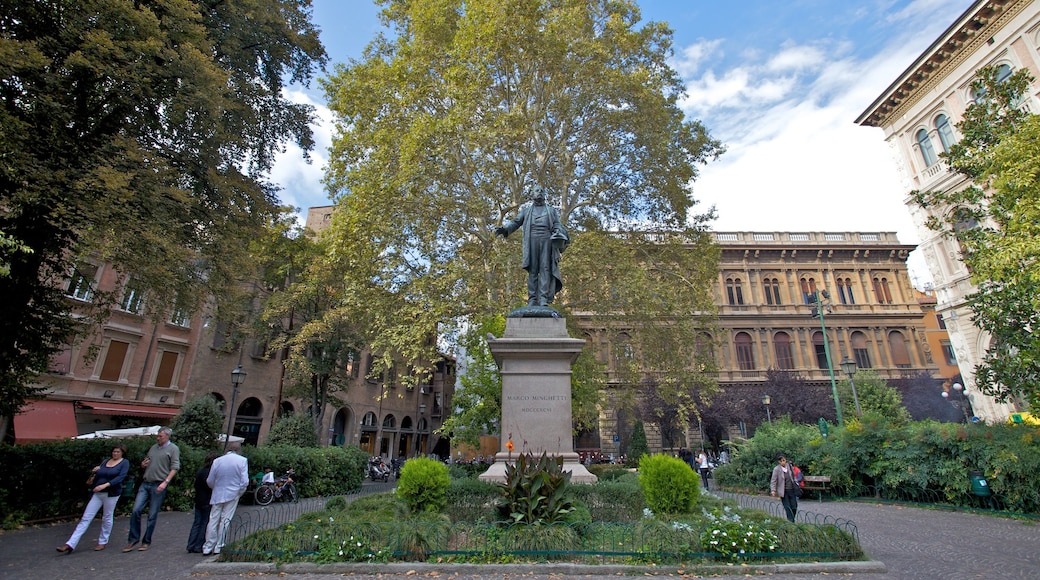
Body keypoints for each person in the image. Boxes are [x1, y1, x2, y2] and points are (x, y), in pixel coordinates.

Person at [495, 185, 570, 307]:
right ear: (532, 194)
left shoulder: (551, 211)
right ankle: (532, 299)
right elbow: (515, 222)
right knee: (533, 270)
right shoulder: (526, 211)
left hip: (547, 240)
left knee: (545, 269)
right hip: (532, 241)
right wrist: (505, 230)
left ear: (544, 195)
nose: (539, 193)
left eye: (542, 191)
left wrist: (558, 232)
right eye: (537, 191)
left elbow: (557, 225)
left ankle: (543, 299)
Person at [57, 444, 130, 554]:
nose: (115, 454)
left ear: (122, 453)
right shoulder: (105, 462)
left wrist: (105, 485)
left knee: (107, 517)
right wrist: (95, 471)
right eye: (114, 451)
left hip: (111, 494)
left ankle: (103, 541)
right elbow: (99, 474)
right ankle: (70, 544)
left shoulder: (124, 463)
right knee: (86, 517)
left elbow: (120, 478)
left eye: (118, 452)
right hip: (98, 493)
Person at [124, 426, 180, 552]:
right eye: (158, 436)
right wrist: (143, 465)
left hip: (158, 484)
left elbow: (175, 467)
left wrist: (165, 482)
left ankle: (146, 541)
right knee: (136, 510)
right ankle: (133, 539)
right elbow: (148, 461)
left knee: (152, 514)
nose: (158, 438)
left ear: (167, 436)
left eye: (161, 436)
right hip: (146, 483)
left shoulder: (173, 449)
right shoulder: (153, 448)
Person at [202, 441, 249, 556]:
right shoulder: (242, 461)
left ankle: (208, 546)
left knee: (213, 519)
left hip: (218, 493)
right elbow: (244, 481)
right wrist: (239, 492)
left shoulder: (217, 461)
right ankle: (219, 545)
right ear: (239, 450)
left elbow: (210, 480)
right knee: (225, 520)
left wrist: (215, 488)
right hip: (233, 493)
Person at [186, 452, 220, 553]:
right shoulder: (210, 473)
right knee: (205, 523)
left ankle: (190, 544)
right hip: (207, 500)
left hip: (198, 500)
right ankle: (198, 545)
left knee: (197, 523)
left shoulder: (200, 471)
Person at [769, 452, 800, 522]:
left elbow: (794, 476)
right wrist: (773, 490)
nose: (783, 462)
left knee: (794, 506)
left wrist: (797, 484)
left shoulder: (789, 467)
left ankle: (792, 519)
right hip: (784, 491)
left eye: (784, 460)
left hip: (792, 490)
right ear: (778, 462)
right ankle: (791, 522)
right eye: (781, 461)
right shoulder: (776, 469)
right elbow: (773, 480)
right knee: (787, 507)